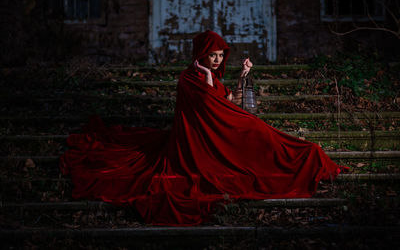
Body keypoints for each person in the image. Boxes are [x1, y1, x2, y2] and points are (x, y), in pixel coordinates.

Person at [61, 30, 347, 226]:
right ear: (201, 55)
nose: (218, 60)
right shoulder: (189, 80)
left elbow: (229, 102)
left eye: (221, 56)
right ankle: (298, 158)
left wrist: (242, 76)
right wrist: (208, 75)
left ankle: (305, 157)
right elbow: (210, 109)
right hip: (205, 142)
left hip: (228, 130)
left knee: (262, 133)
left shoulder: (211, 78)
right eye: (213, 56)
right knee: (257, 133)